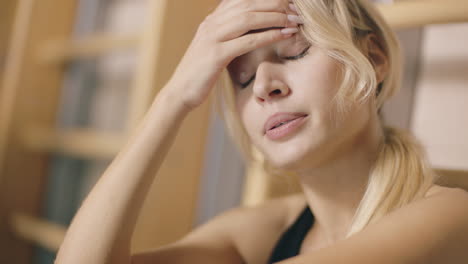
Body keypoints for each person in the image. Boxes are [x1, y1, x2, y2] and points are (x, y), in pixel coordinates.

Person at [55, 0, 468, 263]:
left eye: (295, 51)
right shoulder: (259, 232)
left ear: (374, 58)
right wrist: (174, 96)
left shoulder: (450, 215)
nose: (264, 86)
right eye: (242, 79)